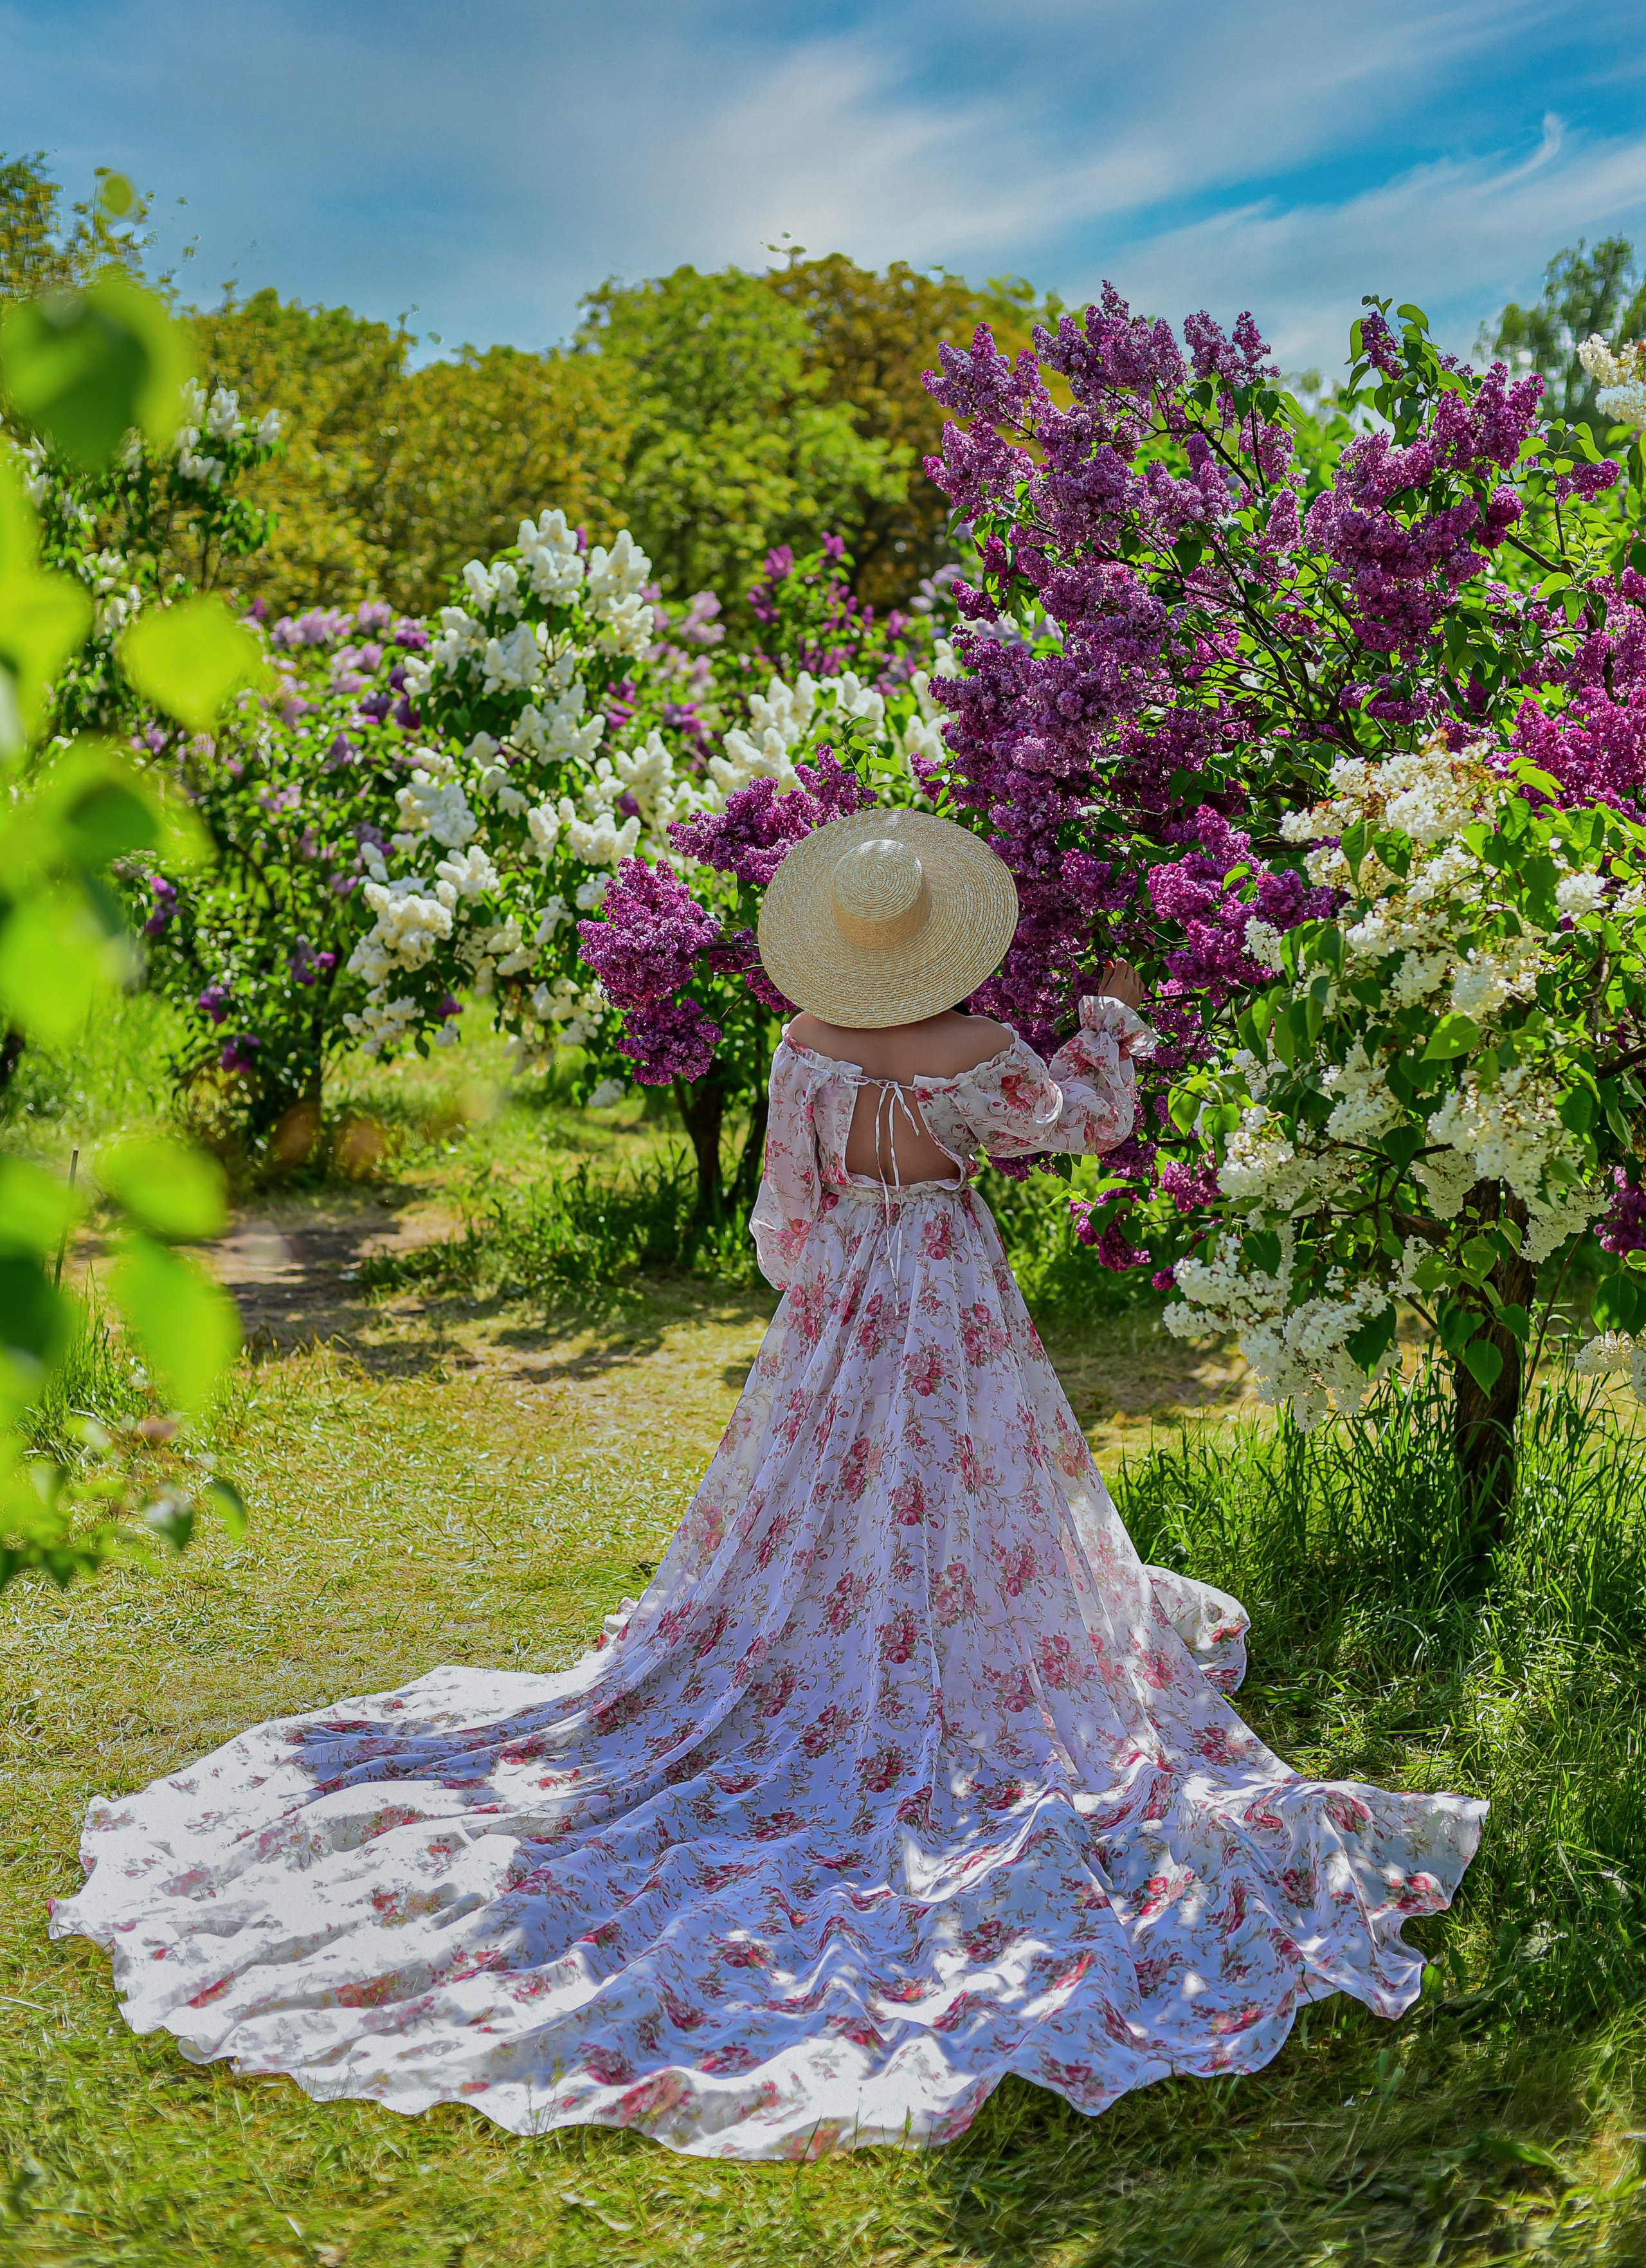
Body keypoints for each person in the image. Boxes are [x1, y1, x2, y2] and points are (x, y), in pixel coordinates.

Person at [52, 810, 1483, 2161]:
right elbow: (1088, 1124)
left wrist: (826, 1299)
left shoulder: (802, 1042)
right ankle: (936, 1670)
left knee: (831, 1491)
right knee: (969, 1483)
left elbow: (782, 1220)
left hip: (850, 1292)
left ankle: (833, 1649)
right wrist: (1108, 1006)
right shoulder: (983, 1046)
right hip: (946, 1283)